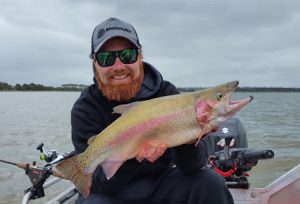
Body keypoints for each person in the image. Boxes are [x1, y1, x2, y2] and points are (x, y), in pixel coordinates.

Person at [71, 17, 234, 204]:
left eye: (127, 55)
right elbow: (99, 184)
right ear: (94, 63)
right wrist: (133, 158)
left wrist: (188, 141)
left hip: (161, 183)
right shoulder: (85, 109)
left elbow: (194, 166)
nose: (118, 66)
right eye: (106, 58)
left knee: (210, 183)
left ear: (140, 55)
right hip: (112, 193)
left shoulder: (167, 94)